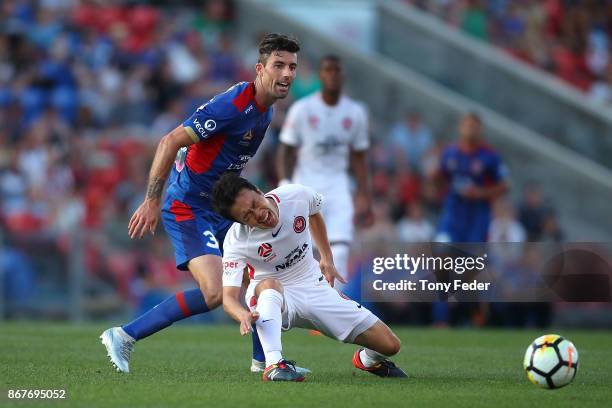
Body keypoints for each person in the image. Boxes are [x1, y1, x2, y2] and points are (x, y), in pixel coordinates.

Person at [100, 33, 302, 374]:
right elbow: (170, 140)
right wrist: (152, 200)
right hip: (188, 206)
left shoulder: (265, 110)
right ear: (260, 69)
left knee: (263, 273)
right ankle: (123, 335)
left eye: (292, 67)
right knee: (213, 293)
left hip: (223, 208)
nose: (286, 73)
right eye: (278, 65)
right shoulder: (234, 105)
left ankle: (264, 361)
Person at [213, 173, 406, 381]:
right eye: (247, 216)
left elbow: (314, 213)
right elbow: (229, 299)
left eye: (255, 203)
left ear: (259, 191)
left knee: (390, 345)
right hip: (274, 297)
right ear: (240, 223)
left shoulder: (295, 195)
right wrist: (242, 315)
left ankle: (366, 361)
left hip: (314, 286)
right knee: (269, 284)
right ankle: (274, 365)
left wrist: (327, 258)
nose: (257, 214)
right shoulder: (236, 241)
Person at [276, 55, 372, 288]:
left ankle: (328, 315)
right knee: (301, 252)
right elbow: (286, 149)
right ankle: (300, 304)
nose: (332, 75)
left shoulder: (355, 112)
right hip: (305, 186)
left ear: (343, 75)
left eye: (336, 70)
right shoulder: (302, 109)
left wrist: (363, 193)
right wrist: (284, 181)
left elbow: (359, 156)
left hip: (339, 187)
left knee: (339, 251)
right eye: (327, 70)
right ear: (320, 75)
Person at [436, 112, 509, 243]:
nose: (470, 130)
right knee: (442, 248)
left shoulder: (490, 156)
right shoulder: (449, 152)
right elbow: (441, 178)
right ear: (460, 127)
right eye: (468, 126)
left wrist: (480, 193)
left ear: (480, 130)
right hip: (453, 212)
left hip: (477, 217)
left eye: (474, 127)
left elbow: (505, 186)